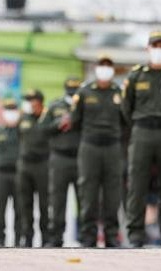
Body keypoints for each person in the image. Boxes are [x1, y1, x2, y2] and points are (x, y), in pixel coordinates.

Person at [122, 31, 161, 247]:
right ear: (148, 48)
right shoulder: (136, 75)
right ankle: (135, 233)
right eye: (155, 45)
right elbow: (126, 108)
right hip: (142, 131)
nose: (159, 49)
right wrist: (139, 125)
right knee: (137, 184)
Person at [66, 55, 126, 247]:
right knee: (88, 192)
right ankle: (88, 236)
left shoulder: (120, 93)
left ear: (113, 70)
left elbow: (127, 121)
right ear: (95, 68)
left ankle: (111, 235)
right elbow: (74, 121)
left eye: (109, 65)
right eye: (102, 65)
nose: (105, 69)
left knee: (113, 193)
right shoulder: (84, 92)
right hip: (90, 146)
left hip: (112, 147)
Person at [40, 77, 82, 247]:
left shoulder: (85, 105)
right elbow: (42, 129)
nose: (72, 95)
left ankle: (86, 236)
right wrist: (59, 123)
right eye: (70, 91)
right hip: (60, 157)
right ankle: (56, 237)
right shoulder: (55, 105)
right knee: (57, 199)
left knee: (84, 199)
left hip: (81, 157)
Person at [16, 89, 50, 247]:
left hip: (43, 164)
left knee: (44, 204)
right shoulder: (23, 119)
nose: (29, 103)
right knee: (25, 204)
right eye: (27, 100)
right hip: (25, 165)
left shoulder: (47, 117)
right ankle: (27, 238)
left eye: (31, 100)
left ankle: (46, 238)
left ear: (39, 101)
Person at [0, 100, 21, 247]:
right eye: (8, 110)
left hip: (18, 174)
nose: (11, 113)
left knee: (20, 208)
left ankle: (19, 240)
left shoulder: (23, 130)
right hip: (0, 174)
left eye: (13, 109)